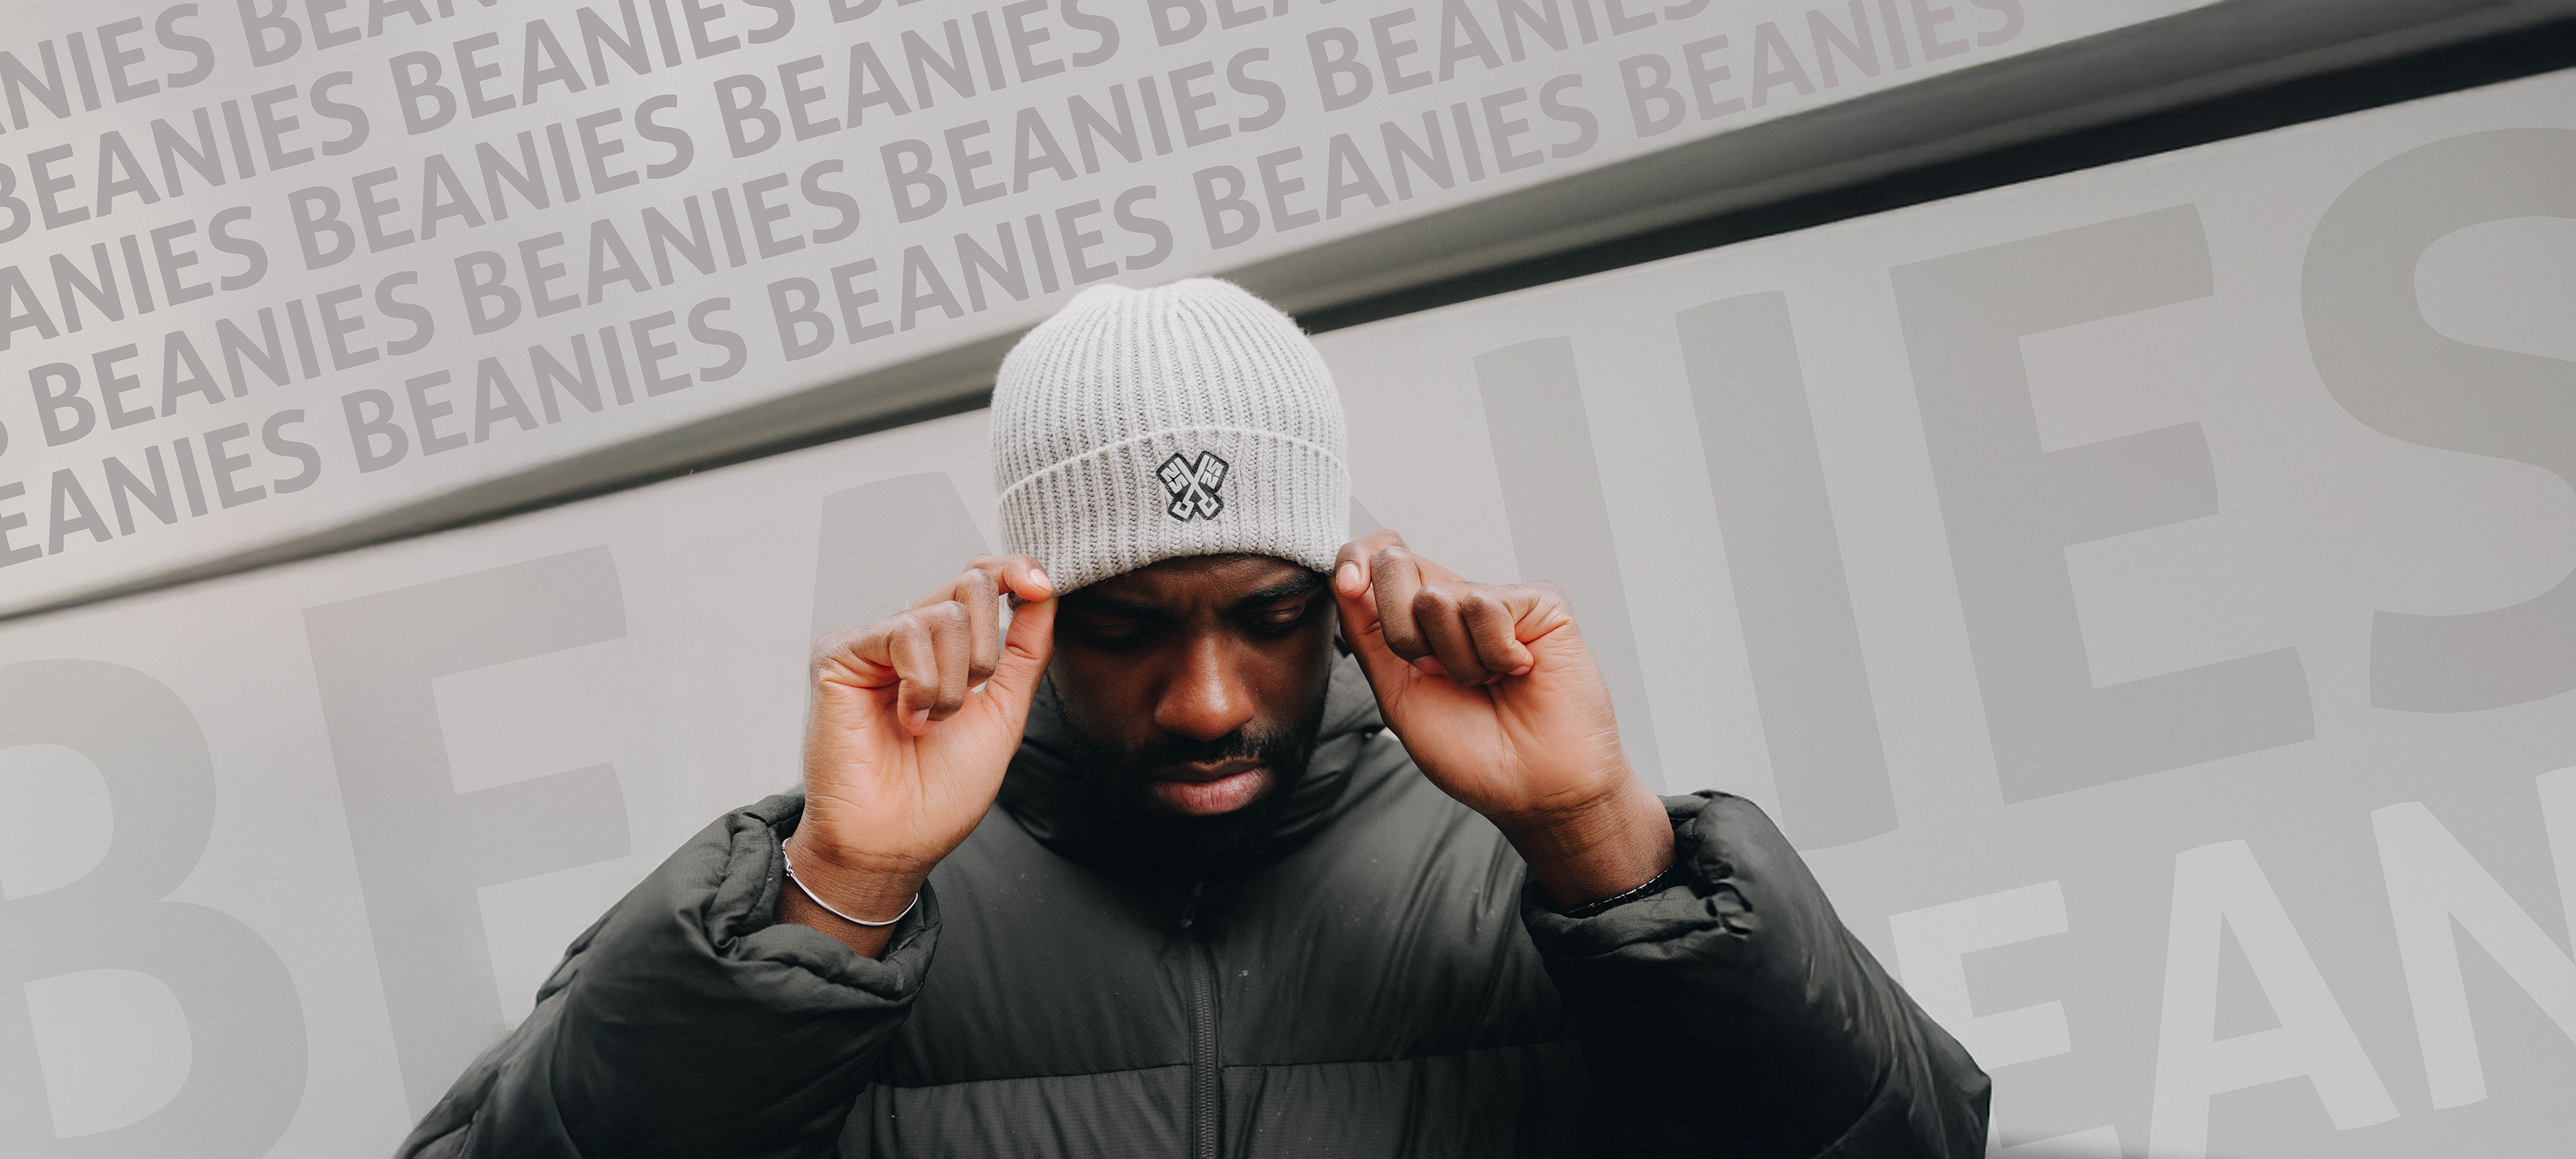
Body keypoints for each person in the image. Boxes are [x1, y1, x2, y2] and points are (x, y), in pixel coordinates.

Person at [398, 280, 1988, 1158]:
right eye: (1122, 626)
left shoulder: (1551, 887)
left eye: (1269, 617)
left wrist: (1595, 838)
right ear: (1026, 607)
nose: (1207, 699)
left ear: (1343, 597)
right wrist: (842, 894)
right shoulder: (837, 912)